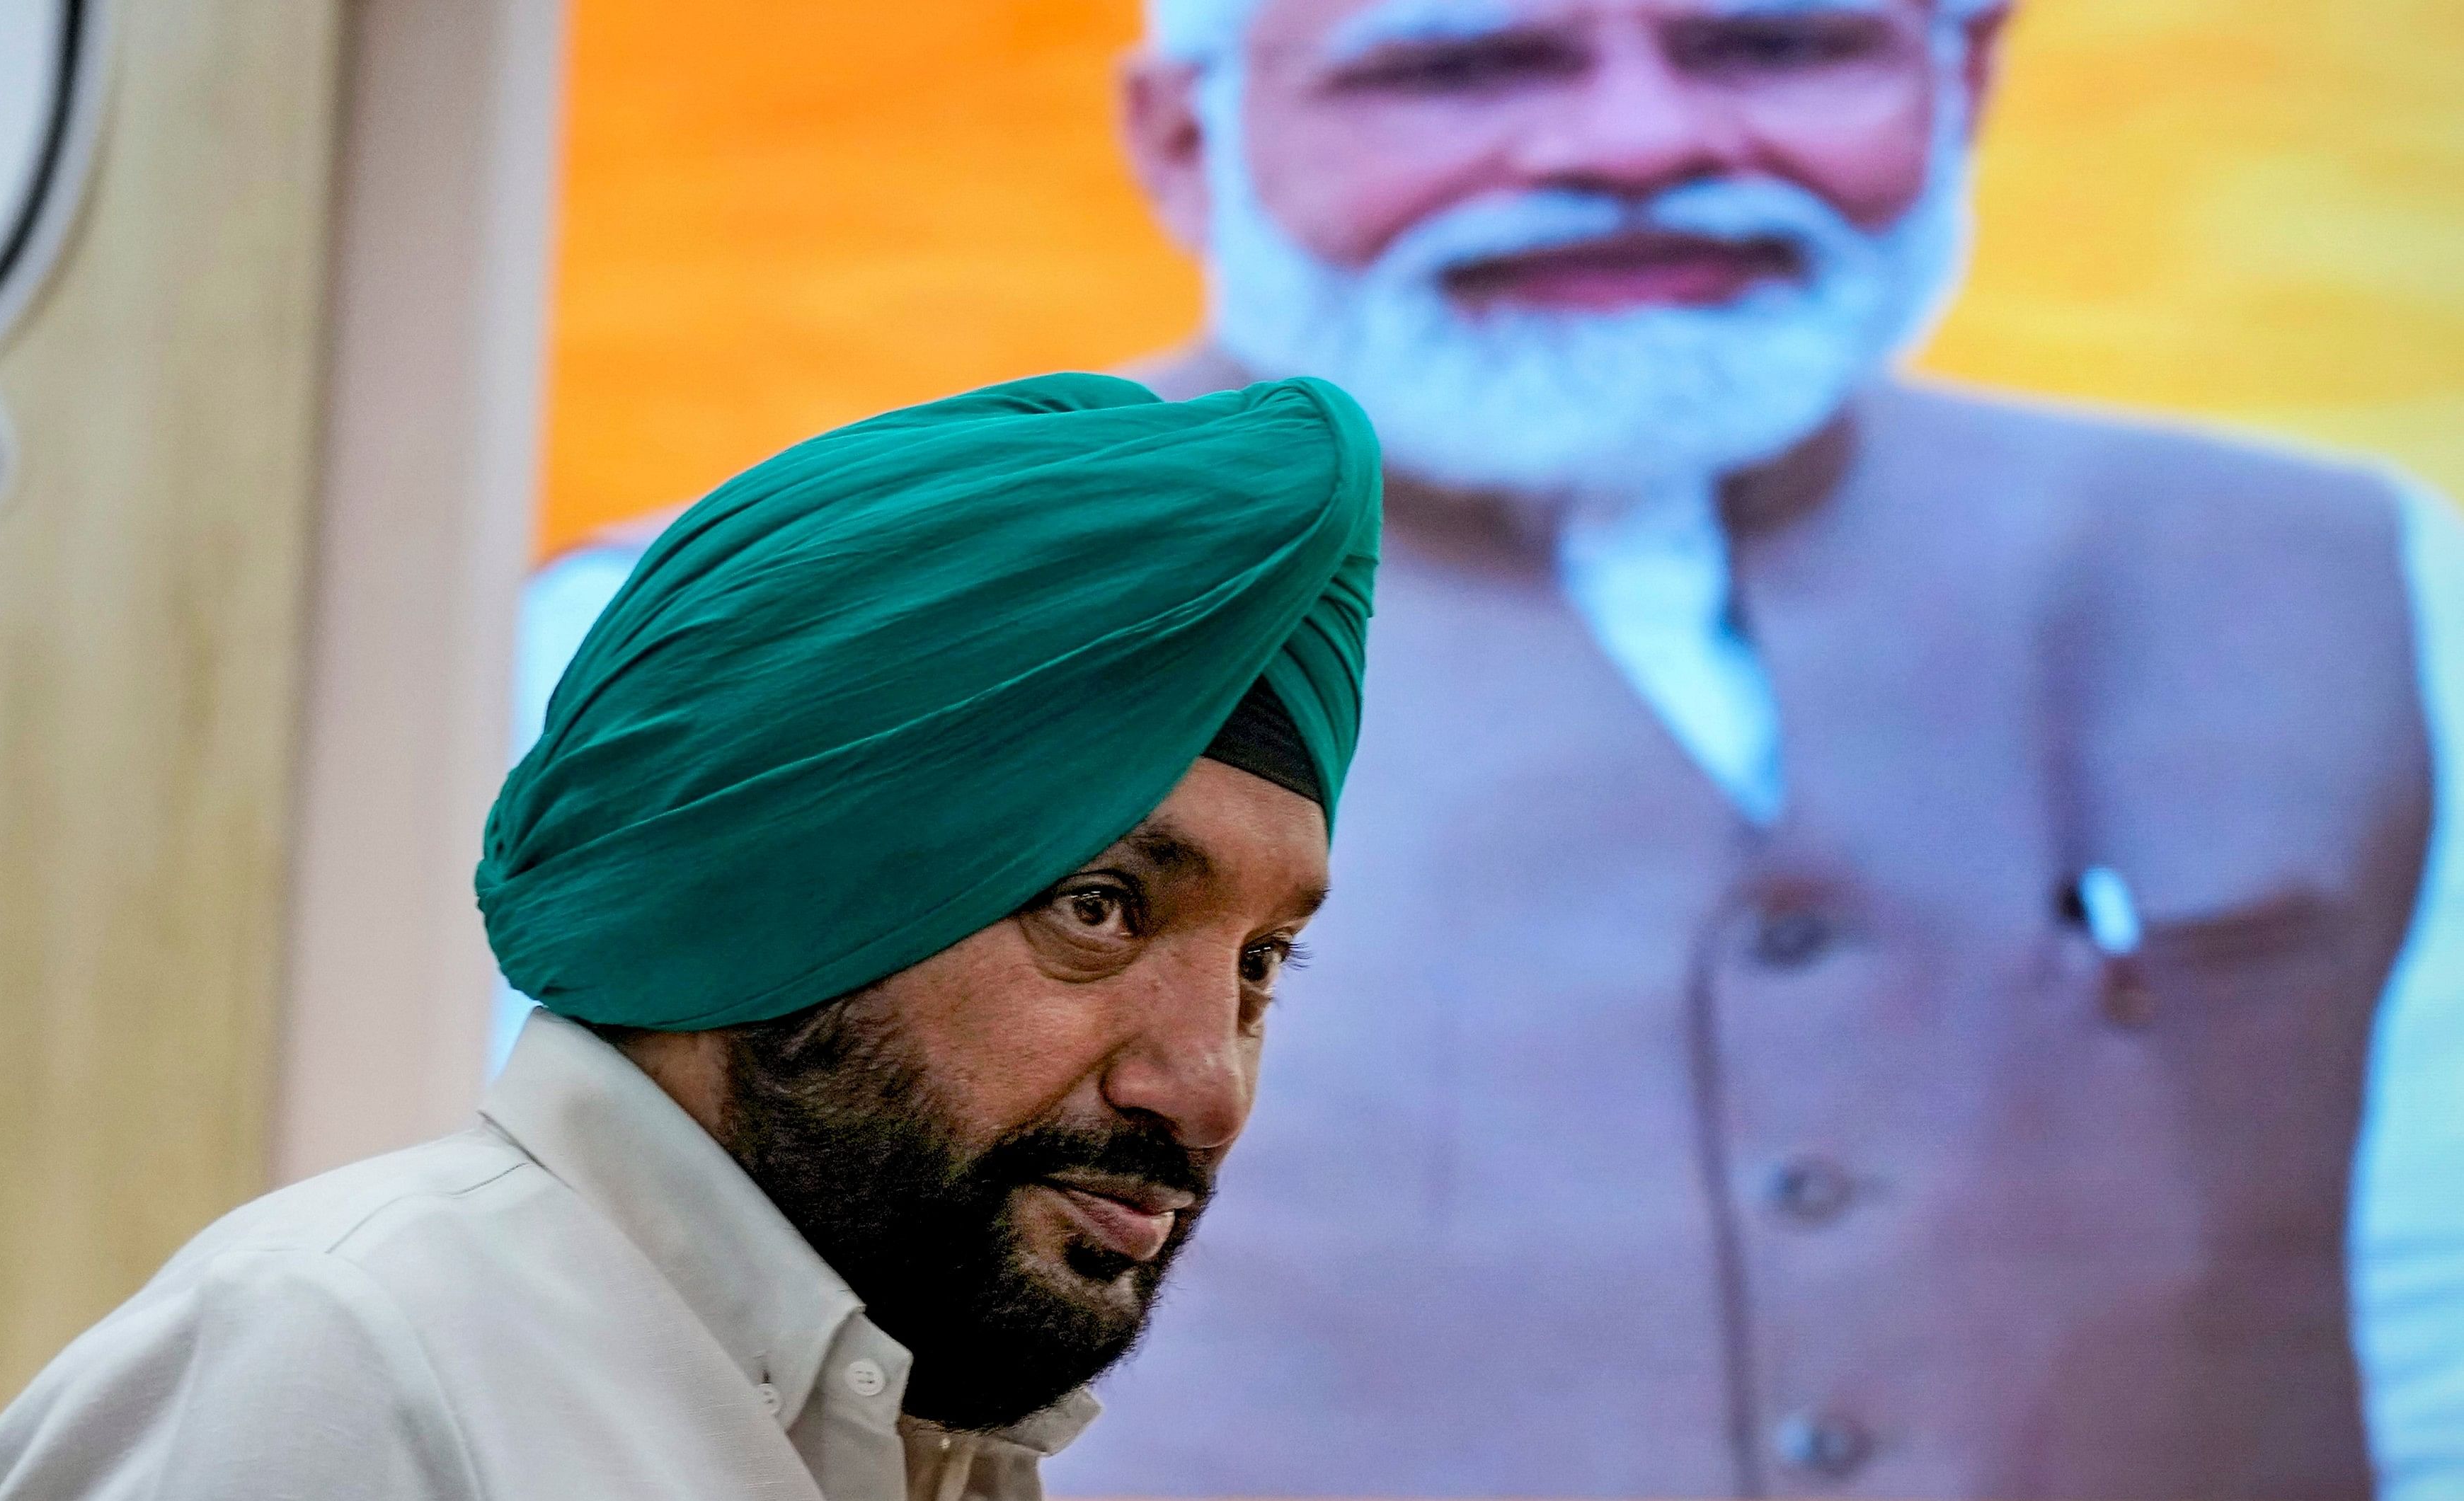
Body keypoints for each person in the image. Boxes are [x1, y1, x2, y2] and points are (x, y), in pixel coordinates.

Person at [1041, 0, 2464, 1496]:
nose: (1639, 145)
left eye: (1777, 46)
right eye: (1457, 64)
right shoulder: (939, 605)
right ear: (1185, 139)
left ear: (1958, 76)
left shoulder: (2350, 575)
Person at [0, 372, 1382, 1501]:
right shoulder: (351, 1371)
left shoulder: (917, 1440)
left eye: (1261, 961)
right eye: (1097, 906)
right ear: (776, 890)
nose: (1207, 1087)